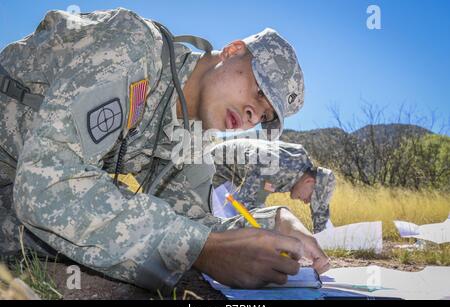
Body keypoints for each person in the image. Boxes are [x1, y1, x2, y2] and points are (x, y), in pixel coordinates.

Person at [0, 8, 329, 291]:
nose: (252, 116)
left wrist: (275, 223)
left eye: (263, 117)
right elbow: (47, 184)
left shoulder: (194, 138)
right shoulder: (132, 47)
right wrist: (200, 250)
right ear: (232, 50)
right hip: (26, 181)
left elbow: (192, 223)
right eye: (258, 93)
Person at [211, 139, 336, 233]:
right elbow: (249, 207)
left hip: (233, 177)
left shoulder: (301, 169)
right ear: (309, 182)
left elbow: (320, 213)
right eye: (310, 198)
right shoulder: (277, 169)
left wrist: (322, 238)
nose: (306, 202)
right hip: (215, 170)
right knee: (228, 226)